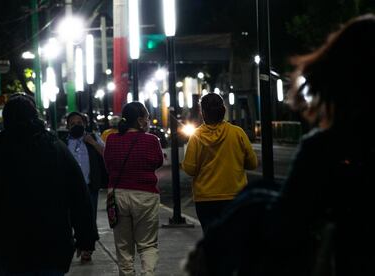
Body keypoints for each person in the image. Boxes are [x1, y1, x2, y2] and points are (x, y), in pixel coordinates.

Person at [185, 14, 375, 276]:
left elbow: (286, 221)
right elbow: (252, 163)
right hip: (230, 191)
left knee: (258, 194)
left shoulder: (325, 148)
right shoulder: (237, 133)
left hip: (346, 260)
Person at [0, 93, 97, 275]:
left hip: (8, 252)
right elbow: (79, 196)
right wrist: (85, 238)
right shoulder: (57, 149)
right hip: (52, 248)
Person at [182, 93, 258, 233]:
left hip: (205, 199)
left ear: (203, 112)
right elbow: (252, 163)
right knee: (235, 239)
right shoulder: (237, 133)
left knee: (213, 241)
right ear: (223, 110)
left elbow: (190, 169)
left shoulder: (196, 136)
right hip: (235, 196)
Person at [104, 102, 163, 276]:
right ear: (139, 120)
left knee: (123, 246)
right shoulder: (151, 140)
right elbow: (157, 162)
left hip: (118, 195)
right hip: (145, 195)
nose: (148, 121)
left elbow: (108, 165)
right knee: (147, 244)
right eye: (146, 117)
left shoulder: (112, 140)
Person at [65, 111, 108, 262]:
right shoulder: (63, 142)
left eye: (79, 123)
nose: (76, 126)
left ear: (85, 125)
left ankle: (87, 248)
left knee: (89, 219)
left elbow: (107, 154)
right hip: (68, 189)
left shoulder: (94, 137)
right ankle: (72, 245)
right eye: (73, 124)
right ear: (67, 126)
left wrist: (93, 143)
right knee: (68, 219)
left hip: (90, 186)